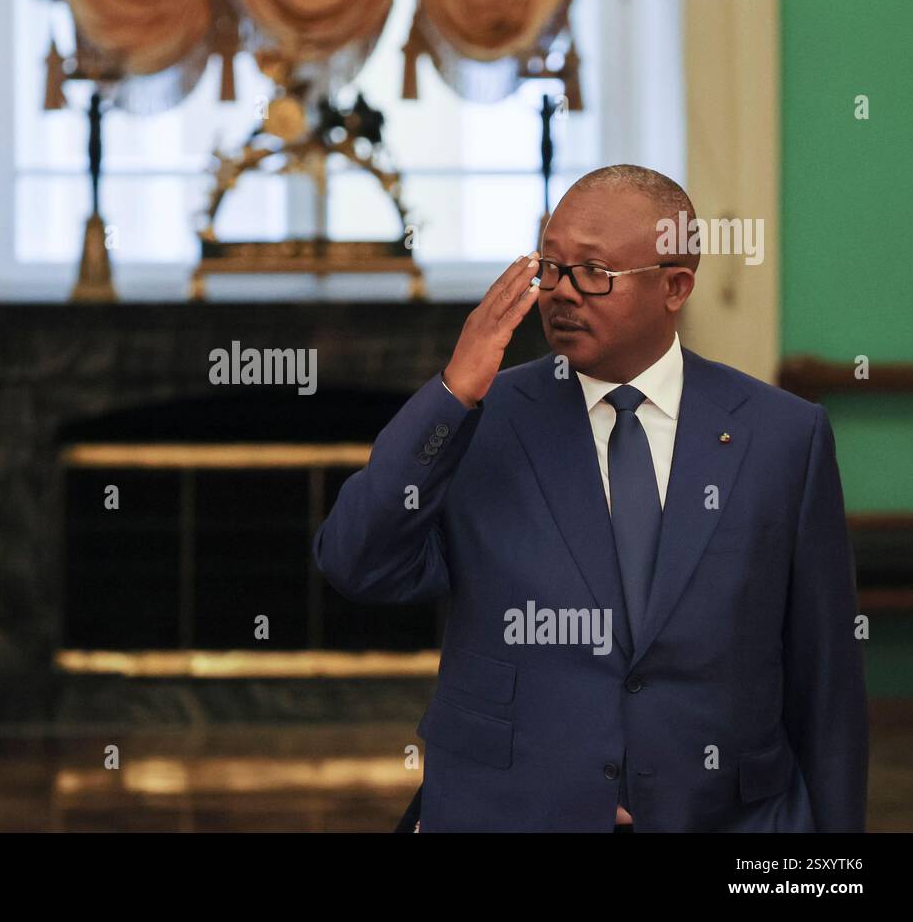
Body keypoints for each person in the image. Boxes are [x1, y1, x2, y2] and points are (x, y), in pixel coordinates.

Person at [314, 164, 868, 832]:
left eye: (593, 272)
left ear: (675, 286)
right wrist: (452, 391)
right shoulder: (485, 417)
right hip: (510, 811)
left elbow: (826, 680)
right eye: (549, 266)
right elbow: (355, 561)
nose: (562, 292)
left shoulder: (783, 435)